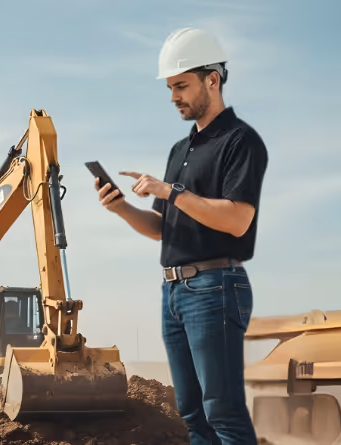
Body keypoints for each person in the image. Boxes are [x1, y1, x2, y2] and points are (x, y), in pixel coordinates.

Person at [95, 27, 268, 445]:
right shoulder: (179, 151)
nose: (173, 96)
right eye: (170, 87)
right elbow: (162, 229)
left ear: (213, 78)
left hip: (215, 287)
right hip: (174, 292)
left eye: (181, 86)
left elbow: (237, 220)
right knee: (192, 413)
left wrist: (170, 190)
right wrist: (121, 208)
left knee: (222, 411)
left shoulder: (241, 142)